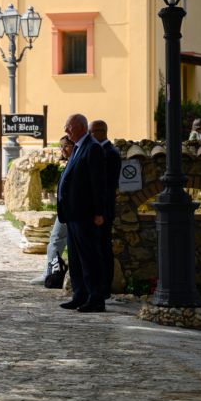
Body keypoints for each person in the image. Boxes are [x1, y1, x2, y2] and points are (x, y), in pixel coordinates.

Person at [56, 113, 106, 313]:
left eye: (69, 126)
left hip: (85, 215)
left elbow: (98, 182)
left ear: (81, 127)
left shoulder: (93, 148)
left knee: (90, 258)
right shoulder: (77, 147)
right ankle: (80, 295)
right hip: (73, 214)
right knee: (76, 259)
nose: (66, 130)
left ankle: (96, 299)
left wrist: (99, 212)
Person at [30, 136, 73, 285]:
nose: (62, 149)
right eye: (61, 146)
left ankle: (50, 275)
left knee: (56, 239)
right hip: (65, 210)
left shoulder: (76, 162)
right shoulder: (70, 162)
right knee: (56, 239)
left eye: (66, 146)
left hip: (70, 211)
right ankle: (51, 273)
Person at [88, 119, 121, 299]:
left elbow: (104, 184)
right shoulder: (100, 150)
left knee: (104, 248)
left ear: (103, 132)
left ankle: (105, 288)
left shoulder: (110, 153)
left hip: (104, 209)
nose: (89, 135)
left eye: (91, 132)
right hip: (99, 208)